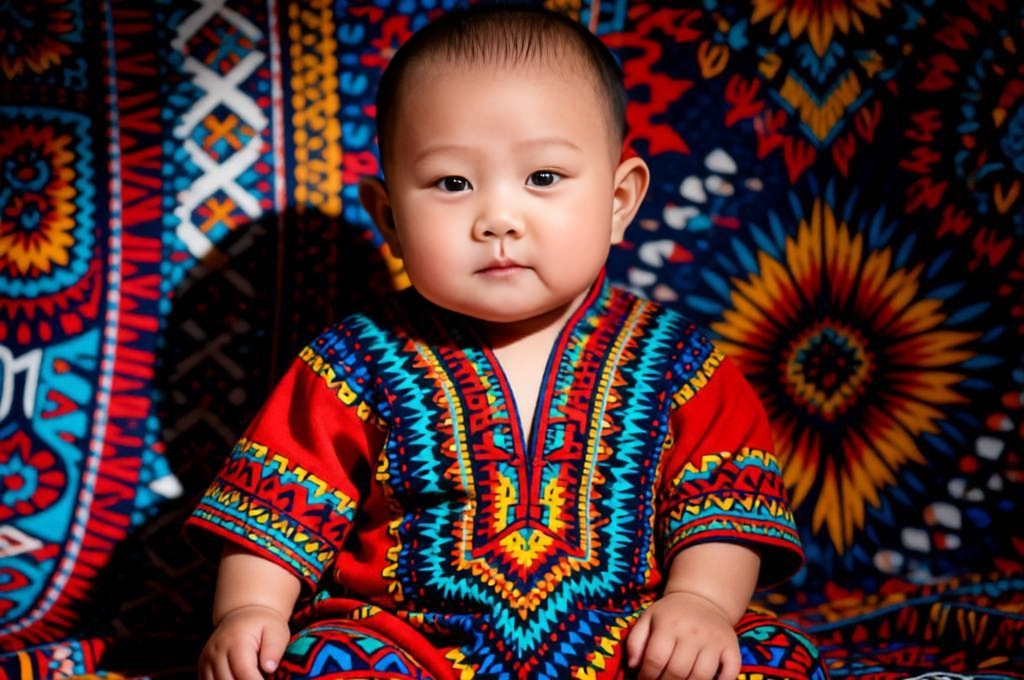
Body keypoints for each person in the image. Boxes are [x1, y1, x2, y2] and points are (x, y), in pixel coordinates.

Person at [186, 5, 828, 680]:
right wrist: (248, 611)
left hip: (628, 646)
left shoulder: (679, 363)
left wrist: (699, 602)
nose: (497, 218)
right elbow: (281, 504)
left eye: (543, 178)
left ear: (619, 200)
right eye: (452, 183)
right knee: (321, 661)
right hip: (411, 647)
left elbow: (723, 507)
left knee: (769, 659)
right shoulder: (356, 358)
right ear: (390, 220)